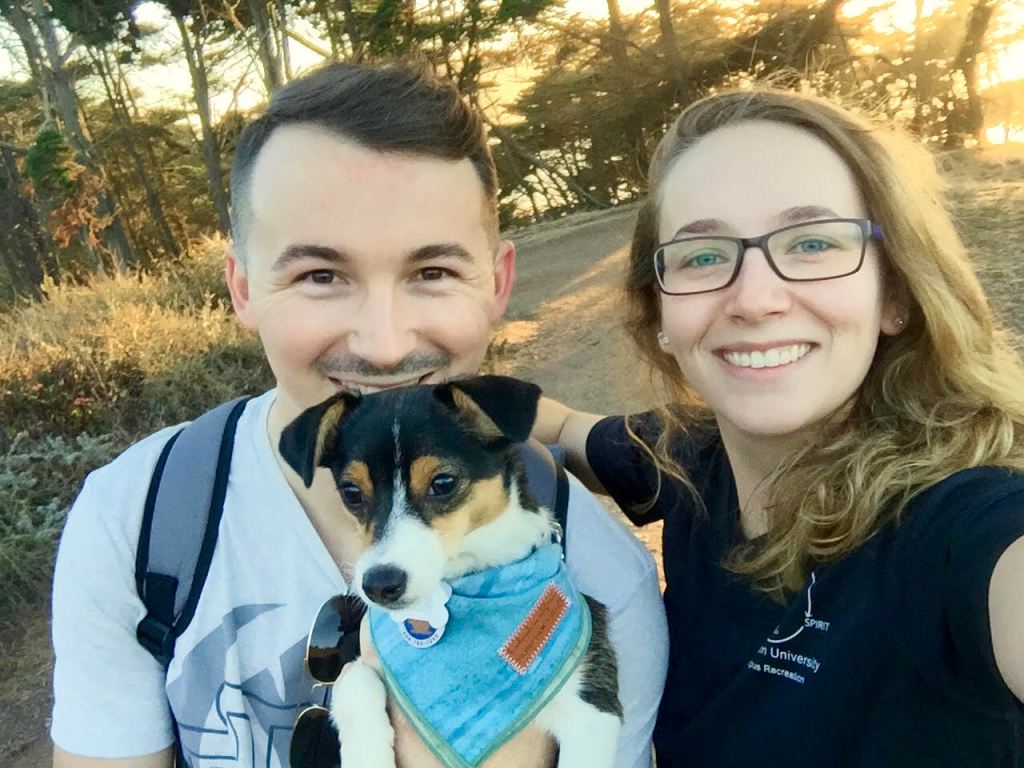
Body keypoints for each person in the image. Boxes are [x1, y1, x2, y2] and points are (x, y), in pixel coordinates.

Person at [49, 61, 668, 768]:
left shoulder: (598, 586)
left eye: (432, 272)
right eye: (321, 275)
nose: (385, 345)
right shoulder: (139, 521)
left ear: (496, 283)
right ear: (243, 288)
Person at [533, 89, 1024, 766]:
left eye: (814, 243)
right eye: (703, 256)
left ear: (897, 296)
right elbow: (557, 425)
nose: (756, 300)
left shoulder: (965, 525)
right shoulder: (689, 461)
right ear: (660, 318)